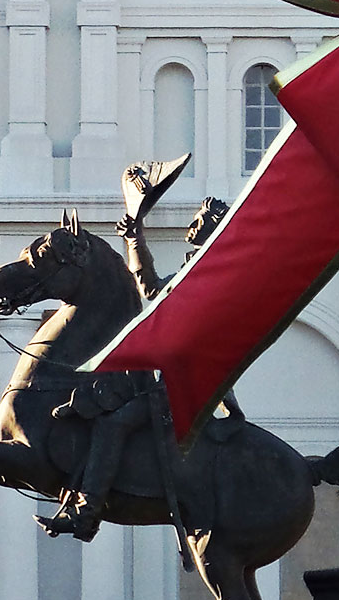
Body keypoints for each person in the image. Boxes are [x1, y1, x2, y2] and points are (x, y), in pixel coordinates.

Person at [37, 157, 242, 541]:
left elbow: (177, 316)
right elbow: (149, 287)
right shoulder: (194, 271)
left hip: (191, 384)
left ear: (217, 231)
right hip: (169, 375)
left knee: (116, 423)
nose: (193, 224)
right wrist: (134, 236)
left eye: (204, 219)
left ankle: (87, 512)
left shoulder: (216, 275)